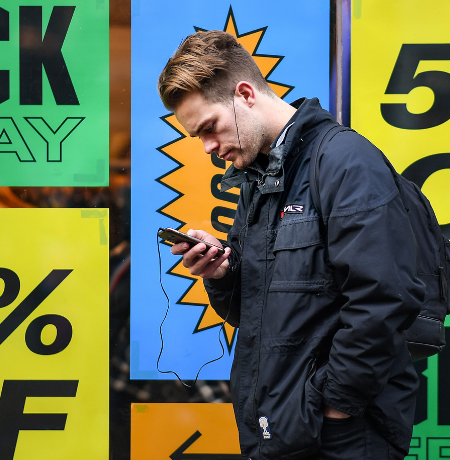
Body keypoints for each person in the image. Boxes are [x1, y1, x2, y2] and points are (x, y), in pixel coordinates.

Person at [158, 30, 425, 460]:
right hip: (281, 433)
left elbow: (385, 300)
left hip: (339, 438)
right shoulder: (261, 180)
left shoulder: (344, 162)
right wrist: (222, 274)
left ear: (245, 94)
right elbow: (256, 316)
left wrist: (333, 408)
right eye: (198, 138)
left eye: (210, 128)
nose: (209, 148)